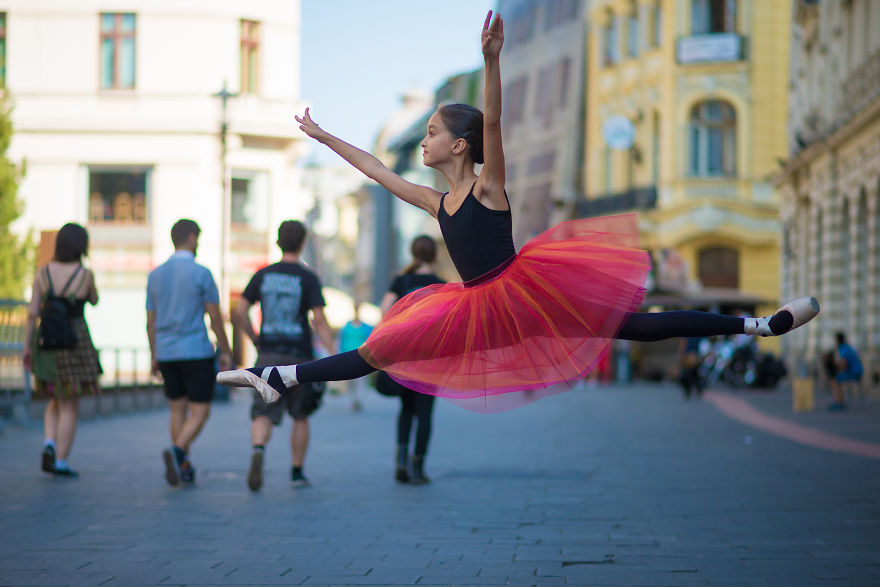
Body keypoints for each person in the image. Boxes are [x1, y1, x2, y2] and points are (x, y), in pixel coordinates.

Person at [218, 11, 820, 413]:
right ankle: (283, 378)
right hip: (476, 303)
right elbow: (376, 170)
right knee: (383, 348)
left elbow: (497, 122)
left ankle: (759, 326)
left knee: (632, 323)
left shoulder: (487, 188)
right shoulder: (437, 201)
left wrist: (492, 62)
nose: (423, 142)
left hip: (526, 291)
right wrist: (323, 137)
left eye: (430, 133)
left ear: (459, 146)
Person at [231, 220, 335, 491]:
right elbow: (319, 320)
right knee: (300, 415)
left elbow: (240, 311)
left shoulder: (263, 274)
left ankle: (258, 450)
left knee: (263, 412)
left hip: (268, 354)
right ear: (302, 243)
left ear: (278, 241)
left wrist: (254, 339)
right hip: (299, 357)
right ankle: (297, 473)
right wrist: (334, 355)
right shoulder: (308, 277)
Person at [147, 219, 232, 486]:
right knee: (200, 411)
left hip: (166, 352)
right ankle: (177, 451)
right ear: (193, 237)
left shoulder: (155, 275)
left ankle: (183, 465)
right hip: (195, 350)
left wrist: (154, 355)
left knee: (177, 410)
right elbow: (215, 317)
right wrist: (226, 349)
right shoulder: (202, 273)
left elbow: (150, 320)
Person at [22, 223, 101, 477]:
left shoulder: (42, 273)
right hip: (75, 341)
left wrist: (26, 347)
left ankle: (49, 443)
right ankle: (62, 461)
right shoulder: (84, 274)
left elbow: (32, 313)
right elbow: (94, 300)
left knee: (54, 399)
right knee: (70, 403)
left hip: (47, 342)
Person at [378, 235, 445, 484]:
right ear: (434, 255)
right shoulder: (440, 284)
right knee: (425, 413)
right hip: (430, 357)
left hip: (404, 355)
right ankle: (418, 466)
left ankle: (401, 460)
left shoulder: (401, 280)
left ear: (413, 253)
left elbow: (385, 309)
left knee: (406, 408)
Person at [338, 302, 373, 412]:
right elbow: (342, 341)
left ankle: (358, 400)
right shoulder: (347, 326)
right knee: (350, 382)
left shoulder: (366, 327)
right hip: (348, 357)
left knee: (361, 381)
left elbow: (370, 342)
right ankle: (353, 400)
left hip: (362, 358)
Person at [828, 332, 864, 411]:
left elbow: (844, 363)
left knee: (834, 381)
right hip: (857, 370)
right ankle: (840, 401)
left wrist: (837, 368)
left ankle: (838, 403)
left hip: (854, 372)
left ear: (837, 340)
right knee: (837, 379)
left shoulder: (842, 348)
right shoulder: (847, 347)